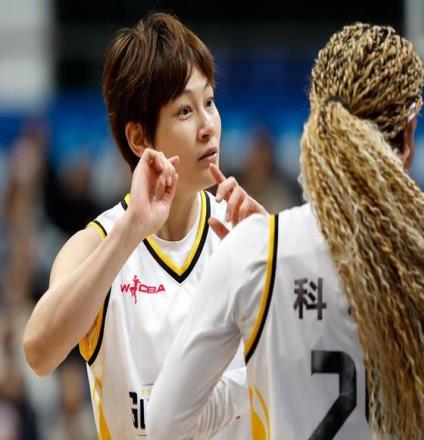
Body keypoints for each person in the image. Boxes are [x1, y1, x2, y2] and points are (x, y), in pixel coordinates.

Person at [146, 23, 424, 439]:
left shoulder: (254, 253)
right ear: (407, 138)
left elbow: (165, 425)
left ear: (318, 127)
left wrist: (261, 369)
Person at [22, 12, 265, 439]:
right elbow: (39, 352)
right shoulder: (98, 243)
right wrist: (131, 229)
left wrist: (275, 263)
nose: (208, 126)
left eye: (209, 102)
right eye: (185, 110)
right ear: (139, 138)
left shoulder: (244, 231)